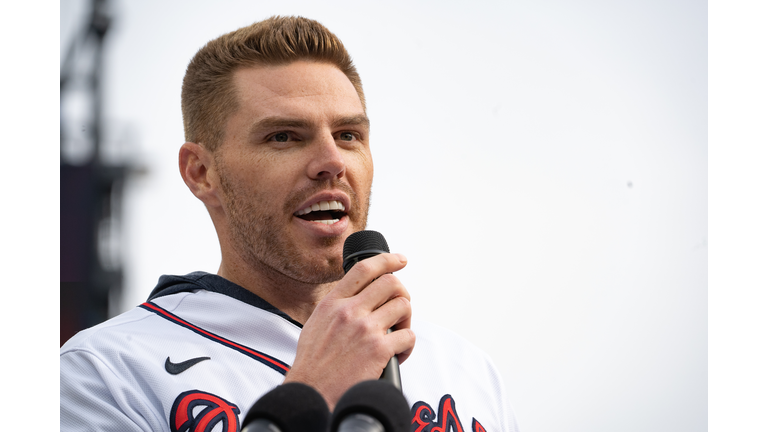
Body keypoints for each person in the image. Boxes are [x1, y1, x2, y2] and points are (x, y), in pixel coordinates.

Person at [60, 16, 520, 432]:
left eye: (348, 135)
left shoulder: (466, 372)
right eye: (284, 136)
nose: (331, 161)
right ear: (202, 173)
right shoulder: (103, 372)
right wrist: (312, 393)